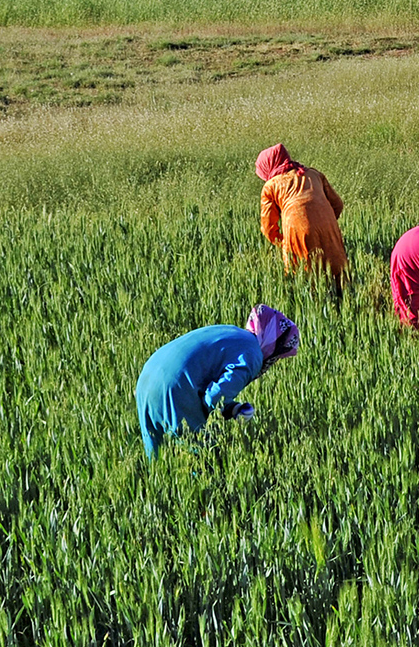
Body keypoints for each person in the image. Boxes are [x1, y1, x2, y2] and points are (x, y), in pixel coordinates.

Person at [135, 305, 299, 459]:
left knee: (156, 461)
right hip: (176, 388)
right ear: (273, 343)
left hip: (148, 376)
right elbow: (213, 398)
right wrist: (233, 411)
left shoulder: (232, 332)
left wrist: (230, 407)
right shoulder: (253, 354)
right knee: (201, 461)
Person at [256, 143, 347, 284]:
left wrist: (283, 242)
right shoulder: (313, 174)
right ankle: (342, 300)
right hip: (328, 224)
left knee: (303, 275)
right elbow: (338, 205)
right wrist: (327, 223)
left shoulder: (271, 186)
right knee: (337, 272)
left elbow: (268, 228)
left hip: (297, 230)